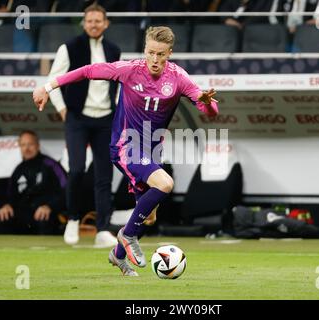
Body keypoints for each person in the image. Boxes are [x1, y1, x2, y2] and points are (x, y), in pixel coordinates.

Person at [33, 26, 219, 276]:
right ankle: (127, 235)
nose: (155, 59)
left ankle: (118, 255)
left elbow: (208, 109)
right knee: (165, 184)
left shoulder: (178, 78)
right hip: (125, 146)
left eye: (161, 54)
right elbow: (89, 71)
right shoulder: (129, 70)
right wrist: (49, 86)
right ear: (145, 49)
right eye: (151, 52)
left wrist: (209, 105)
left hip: (151, 152)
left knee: (149, 217)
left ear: (169, 54)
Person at [47, 3, 120, 248]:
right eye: (90, 20)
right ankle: (73, 219)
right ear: (83, 23)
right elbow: (53, 80)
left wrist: (117, 110)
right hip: (77, 118)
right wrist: (62, 109)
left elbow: (118, 86)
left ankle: (102, 229)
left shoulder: (114, 50)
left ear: (106, 23)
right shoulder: (69, 48)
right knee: (76, 169)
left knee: (104, 176)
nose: (94, 24)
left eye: (98, 20)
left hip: (105, 120)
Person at [0, 130, 67, 235]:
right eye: (23, 145)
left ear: (38, 146)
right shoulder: (18, 169)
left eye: (30, 144)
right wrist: (6, 205)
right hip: (24, 213)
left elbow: (66, 189)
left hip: (46, 211)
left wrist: (50, 206)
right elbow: (10, 194)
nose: (27, 148)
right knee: (4, 216)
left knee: (43, 218)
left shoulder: (51, 165)